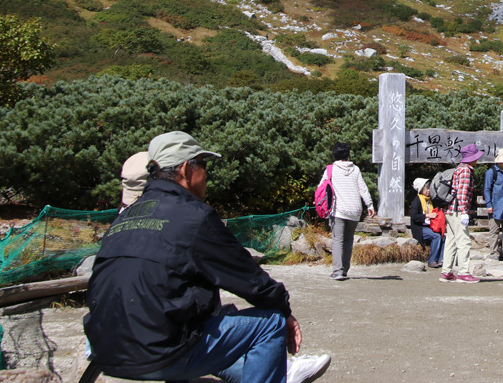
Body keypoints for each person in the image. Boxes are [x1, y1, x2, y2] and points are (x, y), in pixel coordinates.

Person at [84, 131, 331, 383]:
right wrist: (284, 309)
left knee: (177, 312)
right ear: (185, 169)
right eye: (203, 165)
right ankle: (284, 373)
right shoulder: (193, 216)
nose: (206, 174)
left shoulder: (125, 218)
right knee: (270, 323)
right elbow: (249, 278)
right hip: (156, 355)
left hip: (103, 349)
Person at [329, 141, 376, 281]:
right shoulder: (355, 169)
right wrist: (370, 205)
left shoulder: (331, 169)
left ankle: (337, 271)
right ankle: (344, 270)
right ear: (348, 155)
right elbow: (363, 188)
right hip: (355, 210)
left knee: (337, 240)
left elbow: (321, 187)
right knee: (348, 239)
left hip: (338, 210)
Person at [441, 143, 483, 283]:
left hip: (450, 210)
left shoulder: (459, 168)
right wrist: (464, 211)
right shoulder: (465, 171)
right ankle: (463, 272)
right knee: (464, 241)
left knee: (451, 241)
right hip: (458, 210)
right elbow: (462, 193)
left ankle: (446, 272)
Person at [484, 148, 503, 261]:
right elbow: (487, 189)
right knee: (494, 231)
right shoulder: (491, 172)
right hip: (495, 206)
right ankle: (494, 253)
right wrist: (489, 205)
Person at [409, 177, 443, 268]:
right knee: (436, 236)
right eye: (426, 189)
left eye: (429, 189)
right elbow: (414, 217)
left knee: (443, 237)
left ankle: (441, 259)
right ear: (421, 189)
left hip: (430, 226)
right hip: (420, 228)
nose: (428, 191)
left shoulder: (429, 200)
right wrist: (427, 216)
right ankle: (432, 260)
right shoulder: (417, 201)